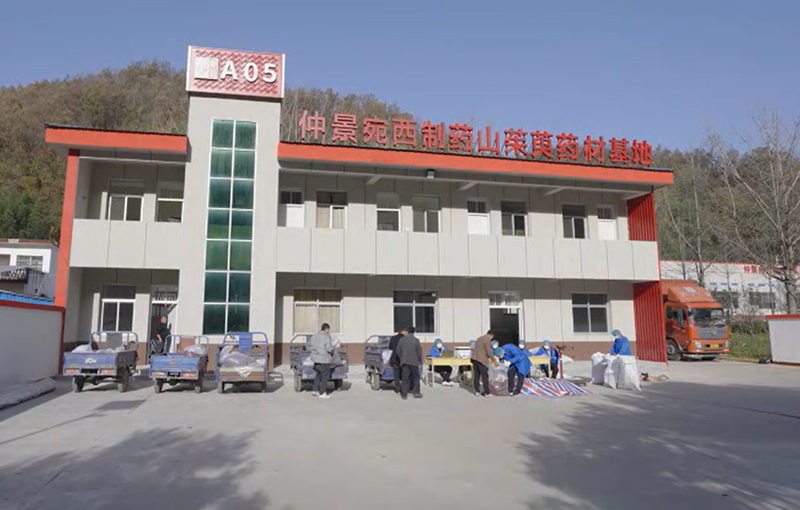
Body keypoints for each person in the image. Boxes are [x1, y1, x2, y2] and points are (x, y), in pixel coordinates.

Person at [395, 326, 423, 400]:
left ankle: (404, 394)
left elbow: (398, 351)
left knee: (405, 378)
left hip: (404, 362)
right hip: (414, 362)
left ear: (407, 331)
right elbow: (419, 351)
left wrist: (401, 358)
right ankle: (416, 392)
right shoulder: (416, 340)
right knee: (416, 377)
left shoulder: (402, 340)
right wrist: (420, 360)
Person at [309, 323, 335, 399]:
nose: (329, 331)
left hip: (315, 359)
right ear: (326, 329)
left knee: (318, 374)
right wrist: (333, 349)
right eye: (329, 329)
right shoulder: (326, 337)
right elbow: (329, 348)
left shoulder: (314, 336)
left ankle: (315, 390)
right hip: (324, 359)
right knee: (325, 376)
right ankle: (322, 392)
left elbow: (311, 345)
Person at [471, 330, 499, 397]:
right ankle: (487, 392)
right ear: (491, 335)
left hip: (474, 358)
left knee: (476, 376)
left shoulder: (479, 338)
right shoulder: (487, 339)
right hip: (482, 360)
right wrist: (494, 360)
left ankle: (477, 391)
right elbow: (488, 351)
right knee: (484, 376)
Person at [388, 326, 407, 393]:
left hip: (394, 358)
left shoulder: (393, 338)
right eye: (406, 331)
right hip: (403, 358)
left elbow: (390, 347)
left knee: (396, 375)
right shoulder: (405, 339)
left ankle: (397, 388)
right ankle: (404, 388)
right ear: (403, 331)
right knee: (404, 374)